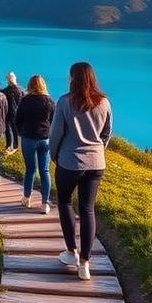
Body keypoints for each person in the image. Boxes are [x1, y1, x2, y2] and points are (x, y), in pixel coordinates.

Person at [49, 61, 112, 280]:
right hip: (96, 163)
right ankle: (85, 263)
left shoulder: (65, 102)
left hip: (69, 162)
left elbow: (56, 133)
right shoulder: (104, 102)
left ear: (73, 78)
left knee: (65, 202)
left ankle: (71, 252)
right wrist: (98, 151)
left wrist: (54, 155)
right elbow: (107, 132)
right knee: (87, 209)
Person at [14, 74, 55, 214]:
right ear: (43, 85)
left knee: (30, 170)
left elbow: (17, 120)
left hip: (28, 138)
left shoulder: (25, 100)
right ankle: (45, 203)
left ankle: (27, 198)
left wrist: (21, 132)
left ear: (30, 85)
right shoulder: (49, 101)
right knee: (45, 171)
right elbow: (54, 121)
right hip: (45, 139)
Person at [2, 72, 25, 153]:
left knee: (8, 131)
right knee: (16, 131)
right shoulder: (21, 90)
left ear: (8, 80)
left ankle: (9, 147)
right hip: (18, 114)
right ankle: (16, 147)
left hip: (8, 114)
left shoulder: (5, 91)